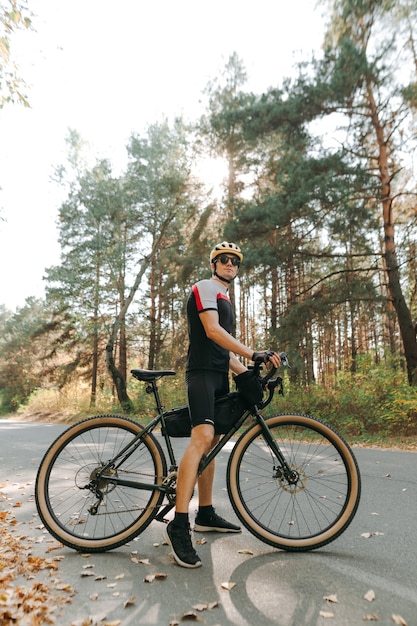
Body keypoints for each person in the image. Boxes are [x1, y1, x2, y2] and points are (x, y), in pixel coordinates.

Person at [164, 241, 281, 568]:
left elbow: (224, 351)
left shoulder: (226, 299)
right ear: (214, 264)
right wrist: (253, 352)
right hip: (200, 375)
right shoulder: (204, 287)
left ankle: (206, 512)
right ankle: (179, 523)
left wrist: (249, 376)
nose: (230, 264)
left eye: (235, 261)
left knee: (213, 441)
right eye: (224, 259)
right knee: (201, 437)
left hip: (218, 375)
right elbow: (212, 332)